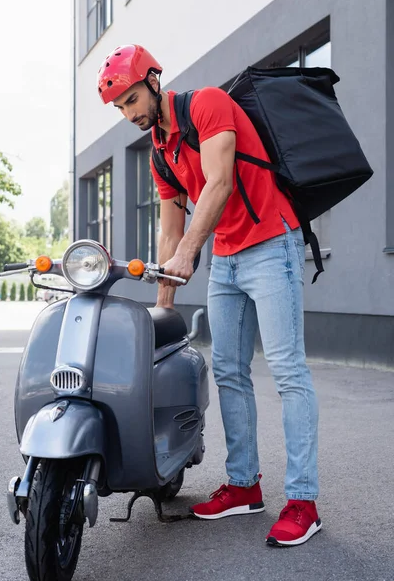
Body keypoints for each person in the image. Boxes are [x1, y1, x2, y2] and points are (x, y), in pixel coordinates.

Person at [97, 44, 321, 547]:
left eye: (132, 99)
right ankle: (245, 486)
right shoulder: (160, 150)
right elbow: (170, 228)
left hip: (271, 244)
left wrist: (189, 255)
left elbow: (219, 184)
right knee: (228, 372)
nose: (129, 114)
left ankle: (304, 501)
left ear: (154, 82)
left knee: (287, 371)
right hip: (227, 256)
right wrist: (165, 301)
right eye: (120, 108)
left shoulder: (208, 105)